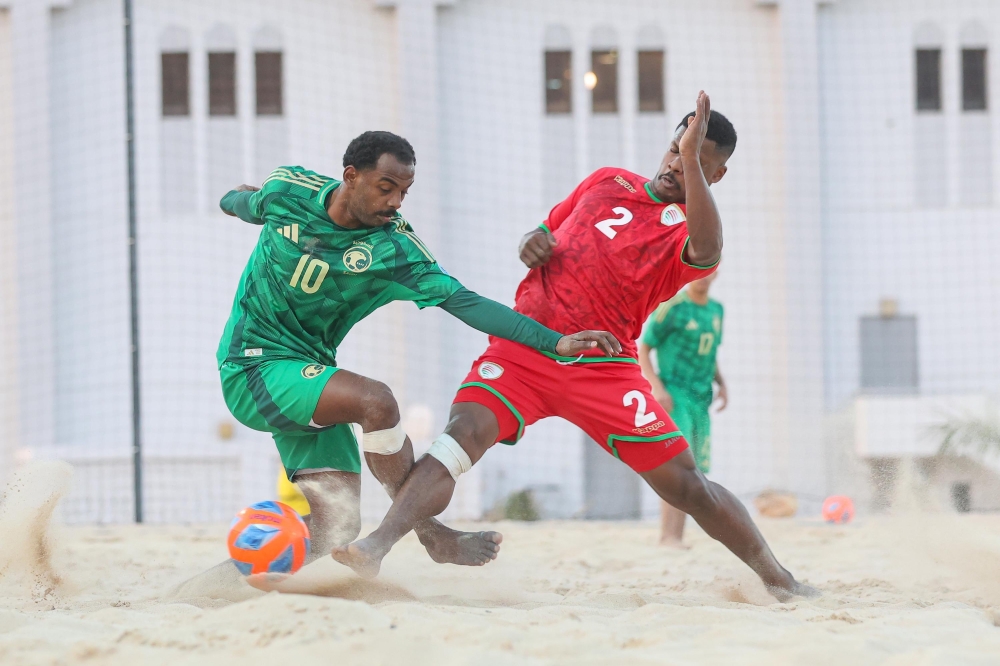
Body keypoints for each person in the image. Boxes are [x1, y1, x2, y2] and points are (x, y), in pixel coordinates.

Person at [330, 94, 818, 601]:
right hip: (525, 351)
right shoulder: (607, 180)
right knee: (460, 435)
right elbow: (541, 234)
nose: (678, 162)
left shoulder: (689, 229)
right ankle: (378, 545)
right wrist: (529, 242)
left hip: (604, 368)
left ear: (714, 175)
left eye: (696, 158)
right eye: (677, 148)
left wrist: (693, 163)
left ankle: (780, 579)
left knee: (688, 487)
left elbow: (709, 248)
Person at [174, 131, 619, 596]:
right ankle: (433, 535)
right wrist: (235, 199)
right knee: (376, 401)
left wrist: (556, 343)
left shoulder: (395, 249)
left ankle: (199, 594)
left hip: (308, 377)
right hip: (252, 365)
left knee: (336, 529)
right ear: (351, 176)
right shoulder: (289, 192)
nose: (395, 202)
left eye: (404, 191)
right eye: (386, 187)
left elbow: (464, 301)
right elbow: (246, 201)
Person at [638, 273, 727, 548]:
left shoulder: (716, 310)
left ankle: (677, 537)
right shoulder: (672, 307)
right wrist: (656, 386)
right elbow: (643, 348)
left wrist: (722, 384)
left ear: (716, 272)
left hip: (701, 397)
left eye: (709, 271)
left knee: (696, 469)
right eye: (699, 271)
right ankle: (668, 536)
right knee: (677, 464)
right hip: (674, 394)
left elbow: (710, 354)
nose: (704, 277)